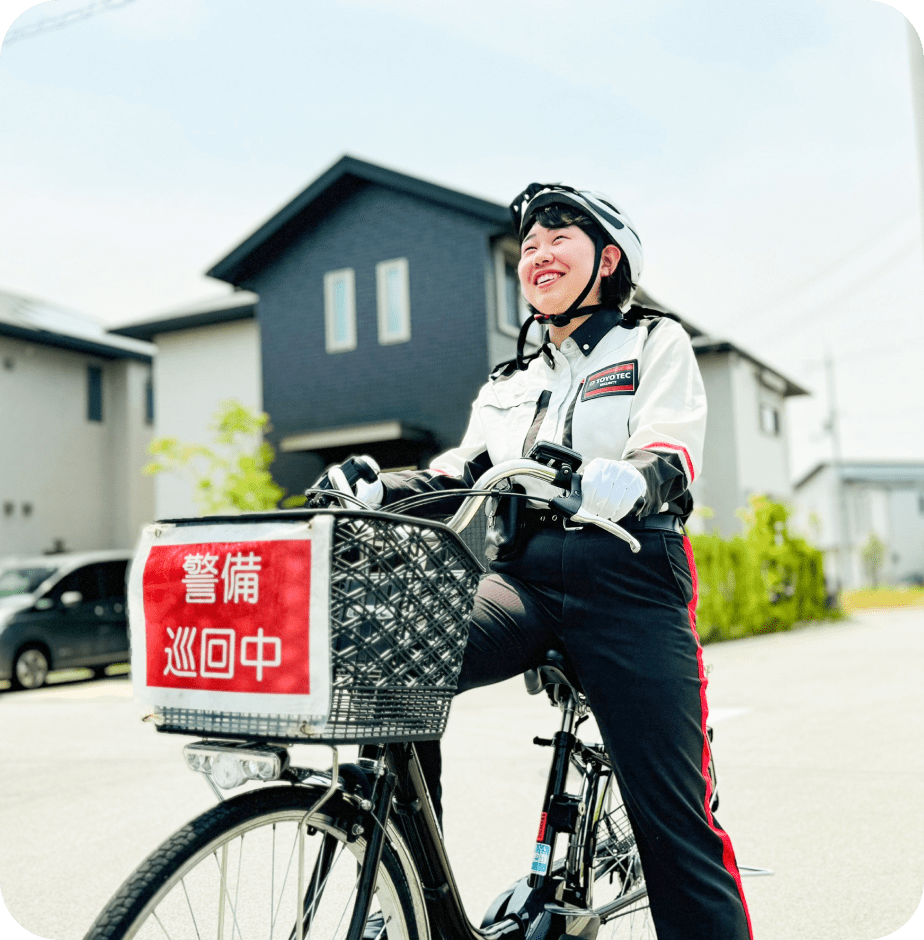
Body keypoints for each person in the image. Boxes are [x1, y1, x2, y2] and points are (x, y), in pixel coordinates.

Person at [346, 183, 753, 940]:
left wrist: (634, 477)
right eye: (528, 245)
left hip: (629, 577)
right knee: (394, 658)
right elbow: (456, 474)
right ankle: (405, 893)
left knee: (675, 824)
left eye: (558, 237)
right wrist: (379, 484)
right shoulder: (509, 382)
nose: (537, 253)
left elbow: (672, 451)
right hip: (524, 577)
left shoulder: (652, 342)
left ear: (607, 259)